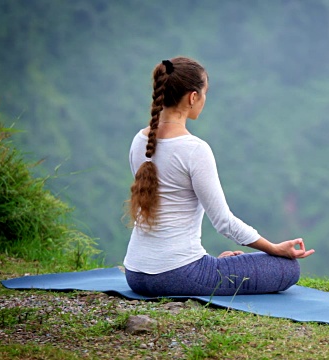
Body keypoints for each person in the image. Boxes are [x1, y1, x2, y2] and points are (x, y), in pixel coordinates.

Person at [123, 56, 314, 297]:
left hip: (135, 274)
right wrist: (274, 248)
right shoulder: (194, 149)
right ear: (193, 97)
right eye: (205, 93)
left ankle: (216, 264)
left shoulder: (139, 141)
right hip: (178, 275)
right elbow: (224, 222)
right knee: (287, 268)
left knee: (229, 264)